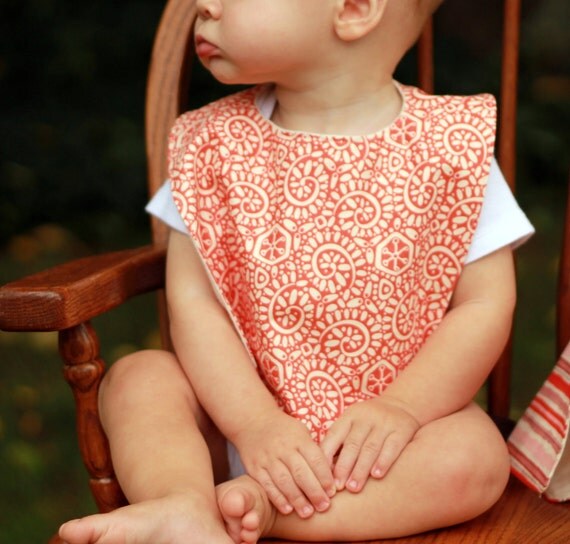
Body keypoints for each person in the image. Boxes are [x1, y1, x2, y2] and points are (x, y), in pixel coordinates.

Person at [59, 0, 535, 543]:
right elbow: (195, 304)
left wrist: (404, 407)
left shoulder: (452, 147)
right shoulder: (211, 147)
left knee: (473, 459)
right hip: (227, 424)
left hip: (382, 448)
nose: (204, 6)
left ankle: (250, 513)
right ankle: (180, 497)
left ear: (354, 9)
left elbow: (485, 303)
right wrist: (254, 424)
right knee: (139, 378)